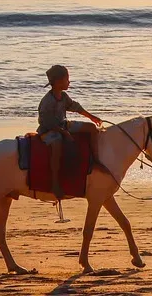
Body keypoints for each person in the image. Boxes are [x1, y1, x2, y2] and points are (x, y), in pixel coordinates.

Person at [37, 64, 104, 200]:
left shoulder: (63, 96)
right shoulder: (47, 101)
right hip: (49, 130)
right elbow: (46, 122)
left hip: (64, 125)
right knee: (57, 145)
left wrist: (92, 117)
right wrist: (63, 132)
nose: (69, 82)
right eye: (67, 79)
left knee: (91, 128)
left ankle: (96, 160)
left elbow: (75, 107)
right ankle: (55, 182)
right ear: (57, 82)